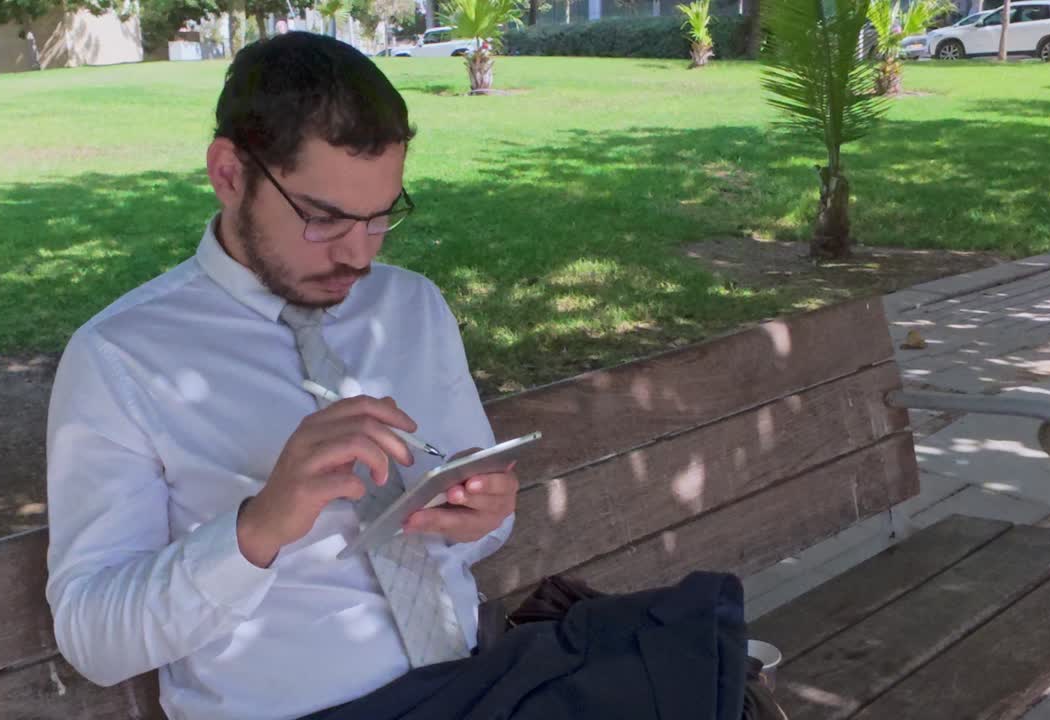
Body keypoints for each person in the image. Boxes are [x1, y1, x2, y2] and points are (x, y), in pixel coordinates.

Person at [45, 31, 750, 720]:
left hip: (478, 678)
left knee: (689, 643)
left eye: (382, 217)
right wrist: (257, 529)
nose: (358, 255)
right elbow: (93, 640)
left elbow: (469, 527)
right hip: (311, 707)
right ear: (230, 174)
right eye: (323, 218)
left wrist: (479, 514)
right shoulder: (123, 356)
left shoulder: (409, 306)